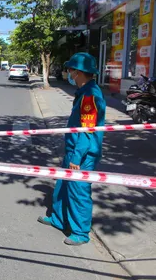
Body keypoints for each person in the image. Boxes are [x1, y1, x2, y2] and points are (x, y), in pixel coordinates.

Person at [38, 52, 106, 246]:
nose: (68, 72)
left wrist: (77, 157)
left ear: (78, 72)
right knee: (62, 186)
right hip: (73, 150)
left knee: (79, 191)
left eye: (70, 69)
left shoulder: (90, 96)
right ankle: (58, 219)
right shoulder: (84, 92)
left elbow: (87, 131)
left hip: (83, 154)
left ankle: (81, 232)